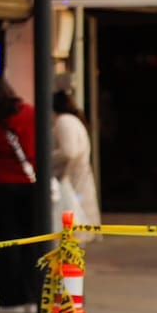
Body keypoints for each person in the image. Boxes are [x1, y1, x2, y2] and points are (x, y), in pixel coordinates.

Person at [0, 76, 38, 313]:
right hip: (30, 185)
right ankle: (31, 295)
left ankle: (10, 295)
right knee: (31, 242)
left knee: (4, 242)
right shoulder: (28, 113)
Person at [51, 90, 99, 234]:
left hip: (71, 178)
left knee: (71, 219)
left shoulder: (64, 121)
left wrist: (45, 158)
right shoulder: (72, 120)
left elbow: (68, 151)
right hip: (76, 176)